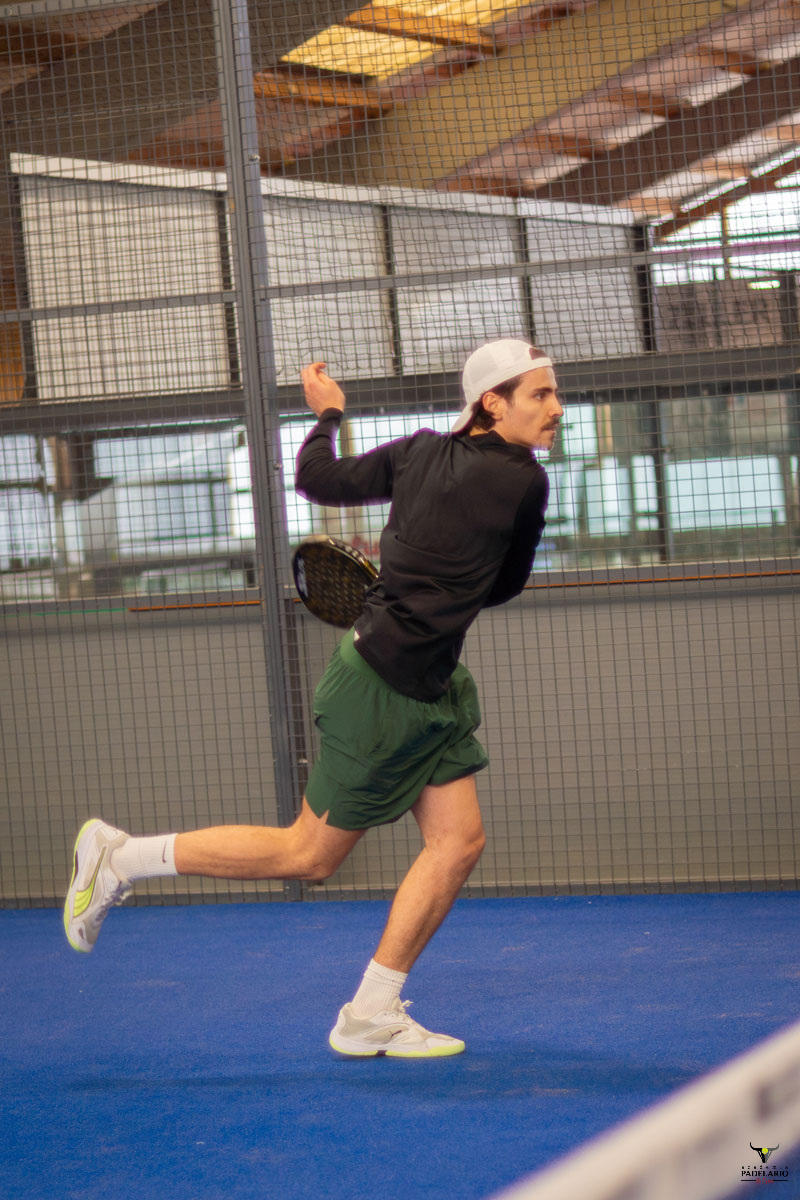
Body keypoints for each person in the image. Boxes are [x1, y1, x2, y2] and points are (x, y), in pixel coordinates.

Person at [63, 338, 563, 1058]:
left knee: (457, 842)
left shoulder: (419, 450)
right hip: (383, 689)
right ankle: (120, 857)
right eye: (539, 395)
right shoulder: (524, 482)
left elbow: (317, 478)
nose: (555, 409)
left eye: (553, 393)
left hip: (430, 682)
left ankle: (371, 1012)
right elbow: (507, 584)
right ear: (493, 402)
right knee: (308, 854)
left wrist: (328, 414)